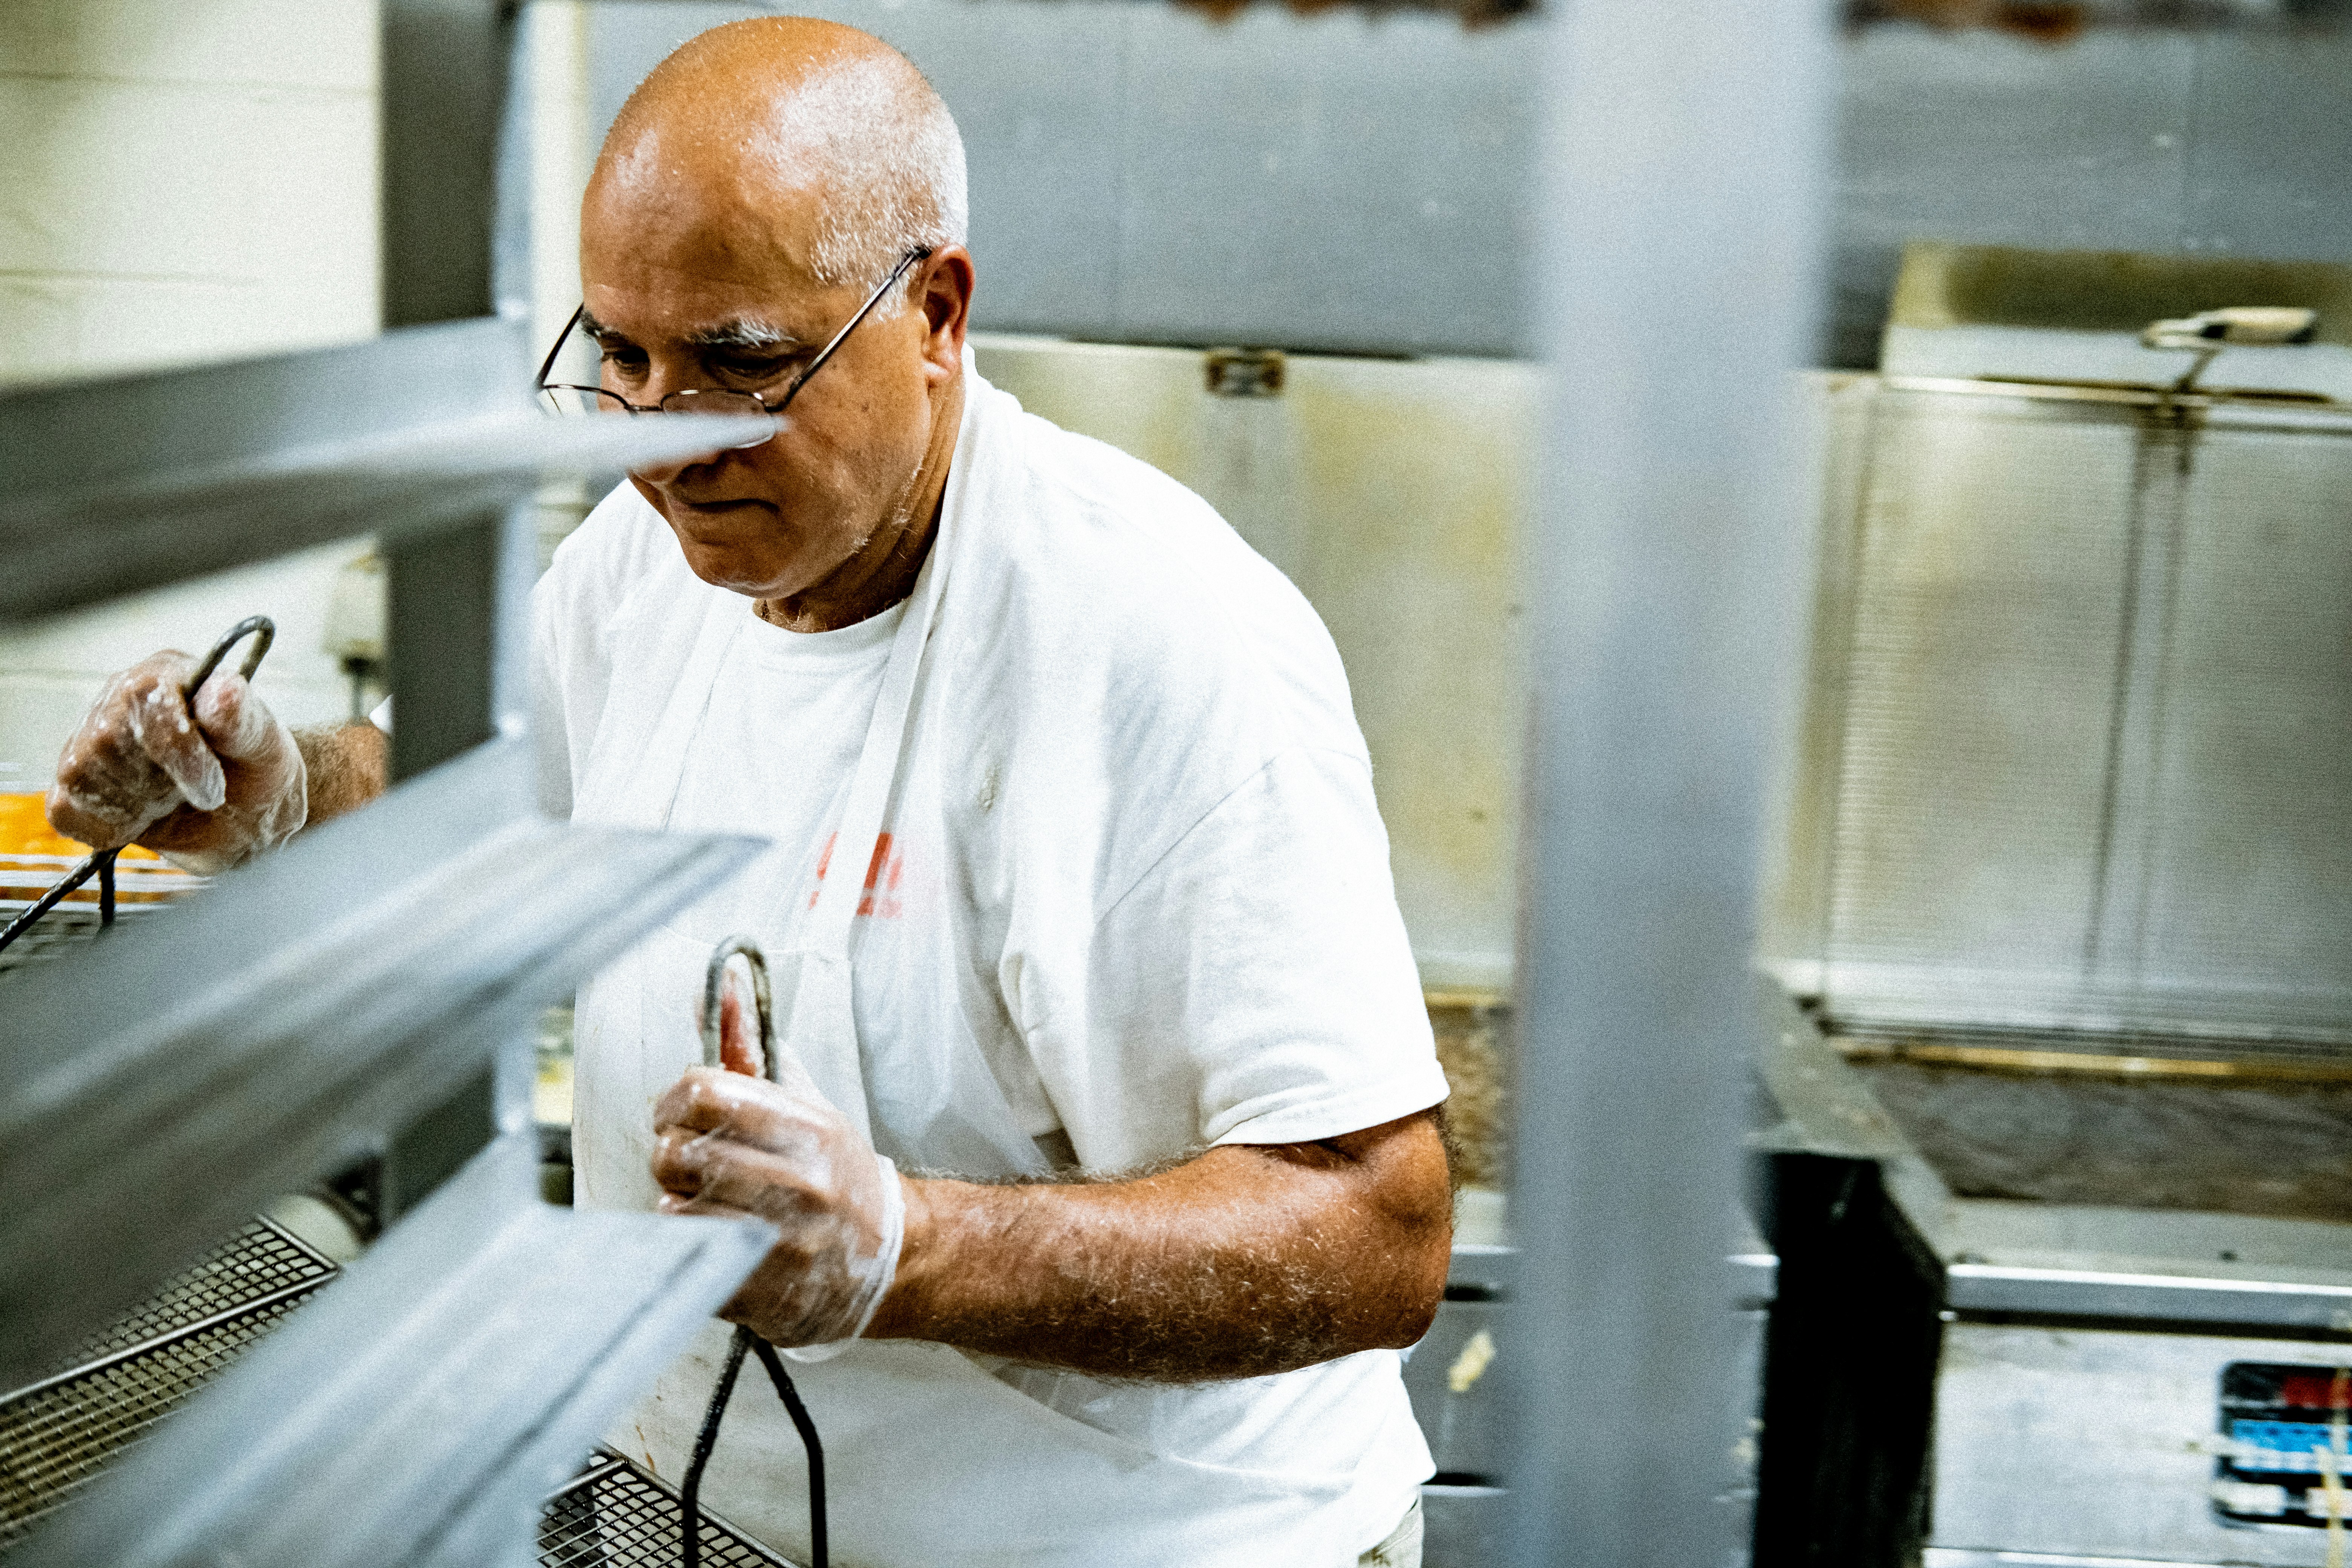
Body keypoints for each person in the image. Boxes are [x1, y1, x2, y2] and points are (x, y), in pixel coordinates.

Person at [46, 19, 1453, 1566]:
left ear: (936, 308)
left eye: (737, 365)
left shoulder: (1162, 644)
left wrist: (903, 1248)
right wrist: (284, 789)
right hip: (701, 1514)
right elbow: (485, 780)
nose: (664, 446)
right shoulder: (643, 562)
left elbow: (1378, 1225)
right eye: (620, 362)